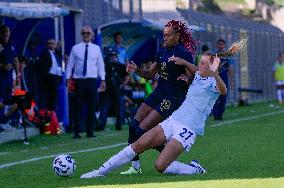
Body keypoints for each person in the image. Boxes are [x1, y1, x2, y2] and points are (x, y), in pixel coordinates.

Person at [80, 53, 227, 178]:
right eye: (199, 62)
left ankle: (195, 169)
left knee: (161, 166)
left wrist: (215, 73)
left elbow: (223, 90)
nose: (199, 65)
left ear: (211, 67)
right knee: (138, 144)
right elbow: (196, 70)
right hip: (173, 120)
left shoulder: (214, 82)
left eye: (202, 63)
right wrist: (184, 62)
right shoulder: (199, 76)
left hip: (188, 129)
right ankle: (99, 172)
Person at [120, 20, 197, 175]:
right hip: (158, 93)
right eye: (164, 35)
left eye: (168, 35)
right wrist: (136, 70)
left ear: (177, 36)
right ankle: (135, 167)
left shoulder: (183, 53)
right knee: (133, 127)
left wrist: (186, 79)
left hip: (172, 98)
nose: (165, 38)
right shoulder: (162, 50)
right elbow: (149, 75)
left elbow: (192, 76)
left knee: (142, 130)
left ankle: (168, 158)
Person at [66, 25, 106, 139]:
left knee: (91, 107)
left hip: (92, 80)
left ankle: (90, 131)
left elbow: (100, 65)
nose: (86, 35)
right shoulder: (75, 48)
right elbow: (70, 64)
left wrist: (103, 79)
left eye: (88, 33)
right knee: (77, 107)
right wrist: (68, 78)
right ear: (81, 34)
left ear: (91, 35)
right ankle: (77, 131)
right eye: (83, 33)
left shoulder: (96, 49)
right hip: (79, 81)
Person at [0, 25, 19, 126]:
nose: (6, 34)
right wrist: (3, 66)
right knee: (2, 100)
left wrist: (18, 74)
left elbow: (15, 60)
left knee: (11, 102)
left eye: (7, 32)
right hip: (1, 77)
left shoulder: (11, 45)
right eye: (4, 32)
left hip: (9, 77)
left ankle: (5, 120)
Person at [211, 39, 234, 121]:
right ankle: (215, 114)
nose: (220, 46)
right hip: (215, 78)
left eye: (222, 44)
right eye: (219, 44)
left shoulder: (227, 55)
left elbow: (230, 68)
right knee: (215, 97)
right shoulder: (214, 55)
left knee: (223, 97)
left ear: (224, 45)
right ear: (217, 45)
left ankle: (220, 114)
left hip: (224, 78)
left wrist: (232, 80)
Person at [38, 39, 62, 111]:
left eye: (53, 44)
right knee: (51, 95)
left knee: (55, 96)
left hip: (57, 76)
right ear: (47, 45)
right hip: (49, 76)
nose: (51, 45)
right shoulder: (44, 53)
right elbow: (42, 65)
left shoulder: (57, 54)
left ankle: (53, 112)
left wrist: (60, 46)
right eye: (50, 43)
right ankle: (49, 111)